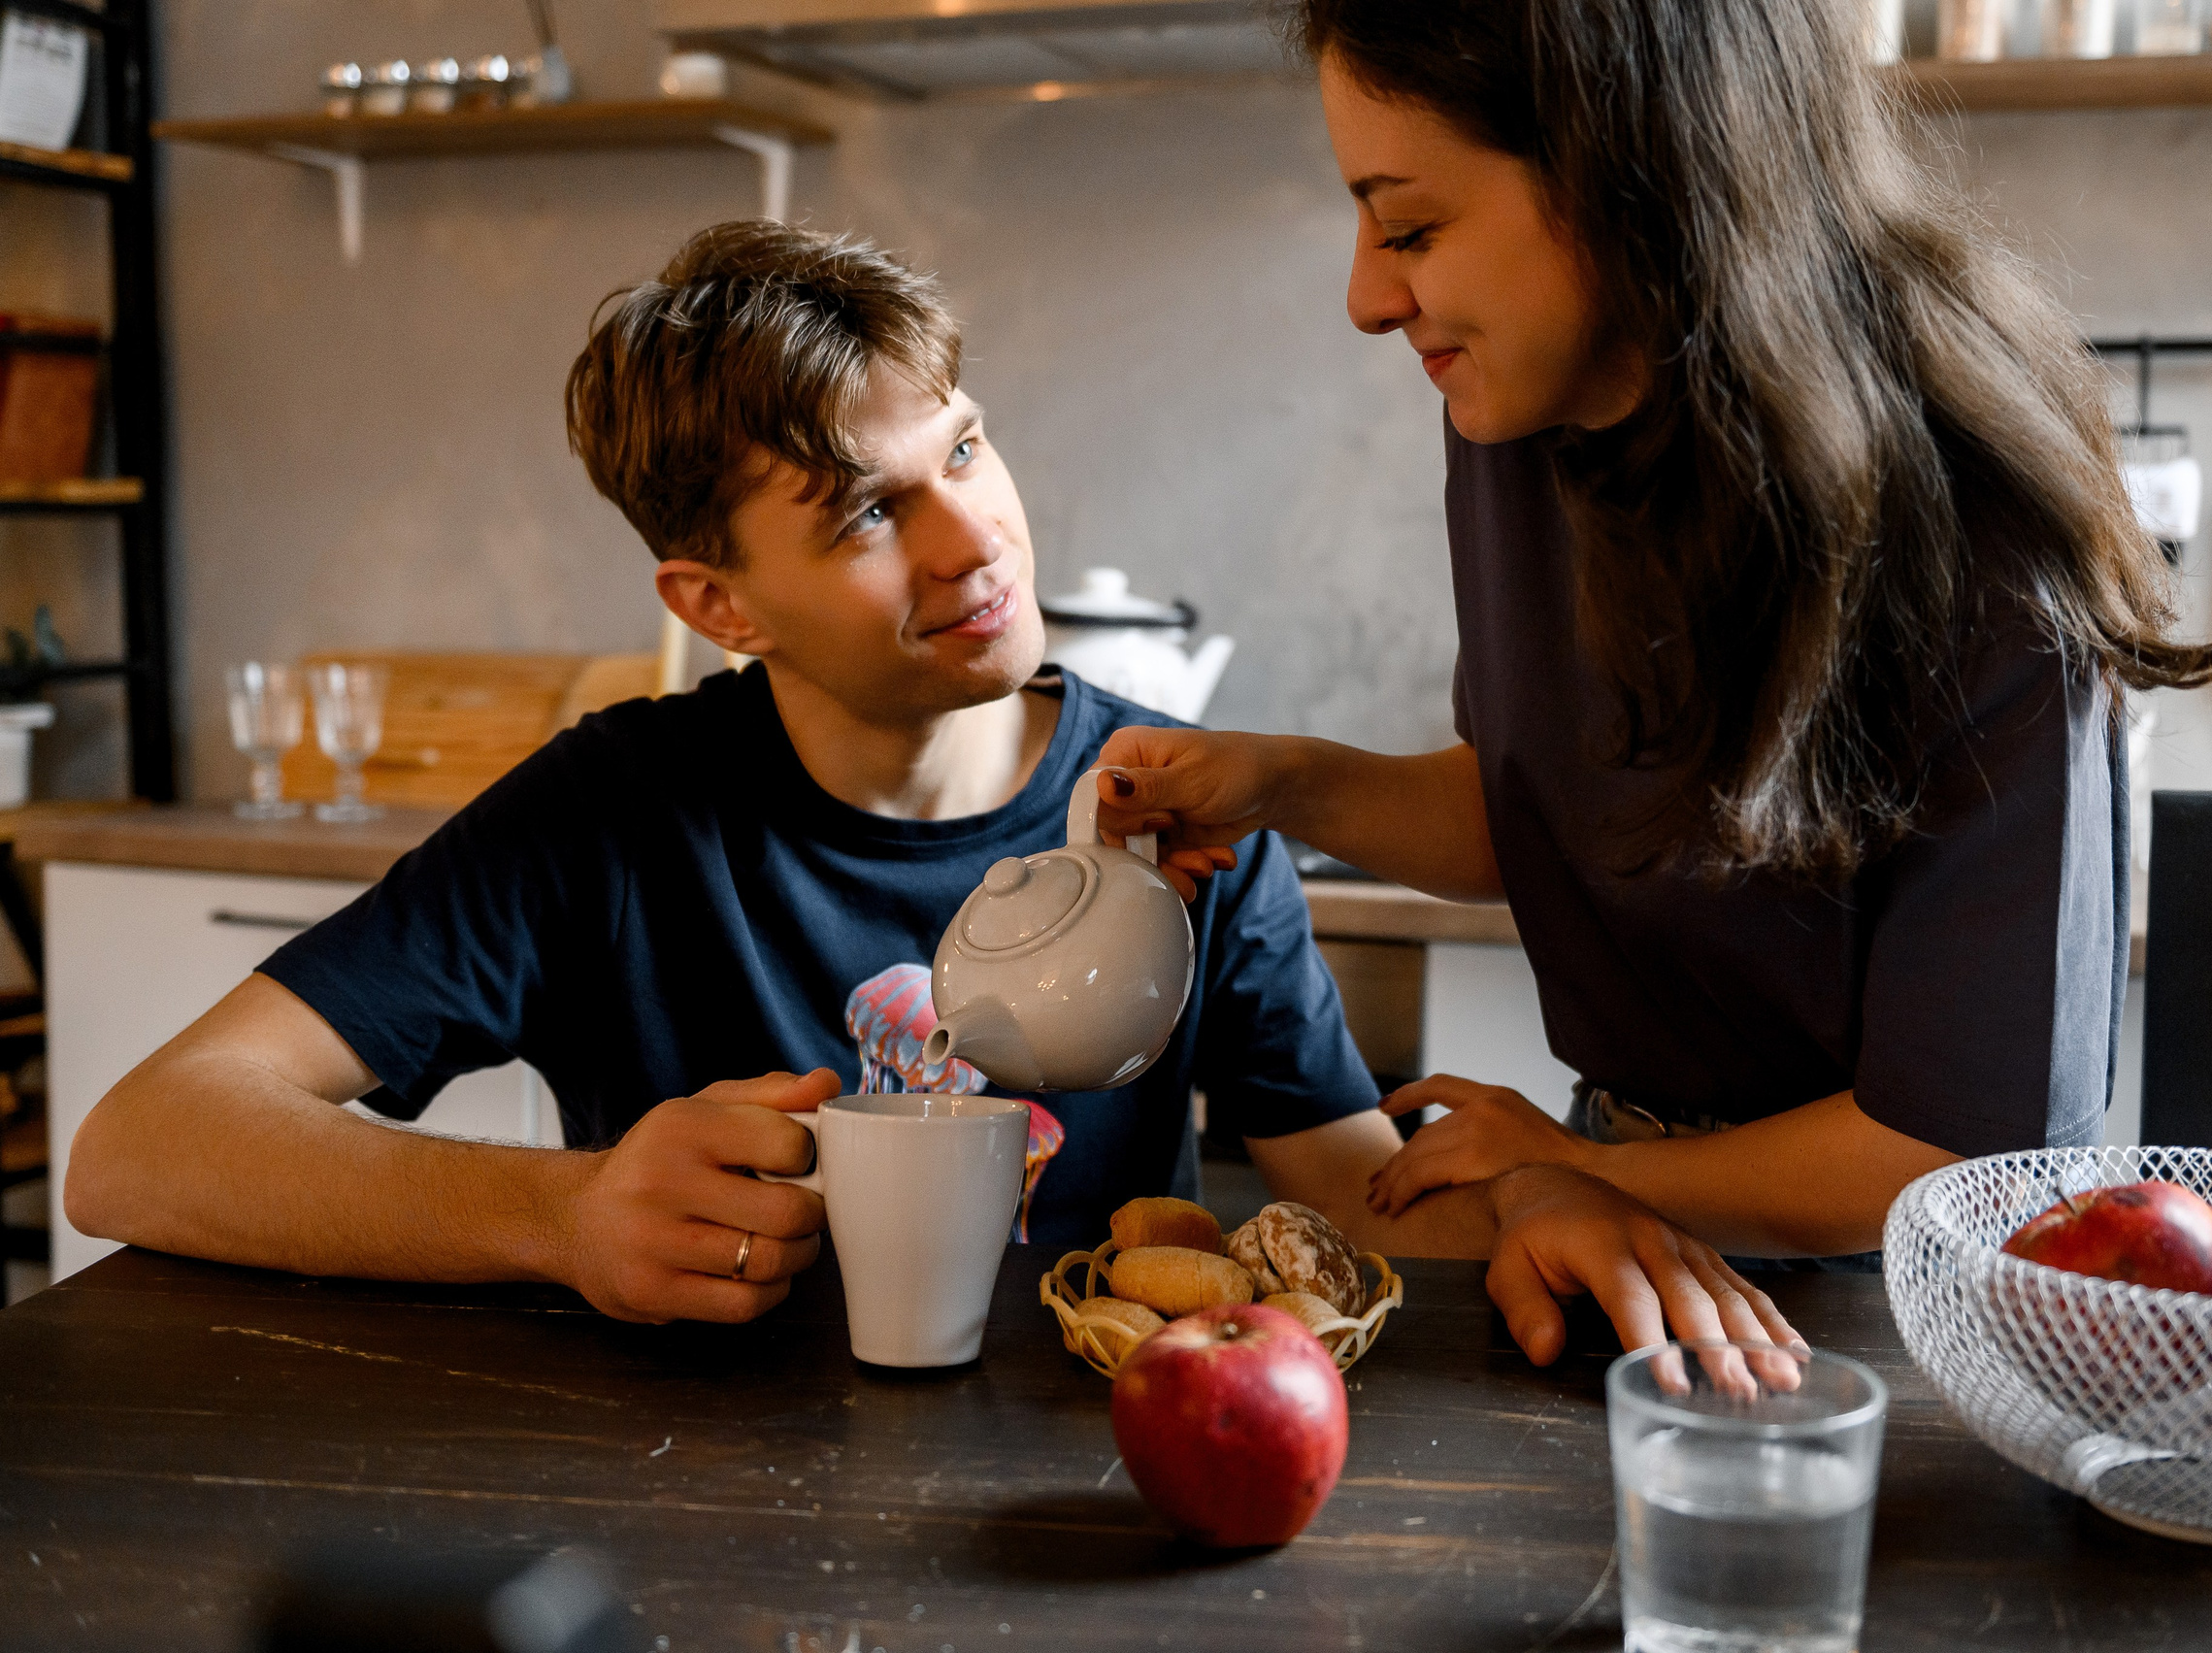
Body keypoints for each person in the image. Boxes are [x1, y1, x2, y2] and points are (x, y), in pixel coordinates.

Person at [65, 221, 1507, 1326]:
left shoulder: (1183, 808)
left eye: (965, 447)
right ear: (720, 607)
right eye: (871, 514)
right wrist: (565, 1215)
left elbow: (1356, 1202)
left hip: (1090, 1499)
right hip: (698, 1497)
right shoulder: (614, 816)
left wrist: (1563, 1205)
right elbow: (140, 1144)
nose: (976, 542)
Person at [1097, 0, 2212, 1348]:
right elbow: (1563, 818)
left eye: (1409, 229)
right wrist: (1285, 783)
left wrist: (1573, 1171)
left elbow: (1954, 1153)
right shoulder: (1527, 408)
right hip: (1612, 1213)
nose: (1368, 299)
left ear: (1625, 175)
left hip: (1903, 1297)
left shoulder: (1978, 525)